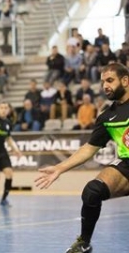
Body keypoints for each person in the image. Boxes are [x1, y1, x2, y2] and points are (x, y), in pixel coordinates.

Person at [35, 62, 129, 253]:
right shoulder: (107, 117)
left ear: (125, 81)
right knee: (92, 192)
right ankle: (84, 243)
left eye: (110, 80)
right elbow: (89, 149)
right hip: (126, 165)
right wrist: (59, 168)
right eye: (103, 82)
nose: (105, 86)